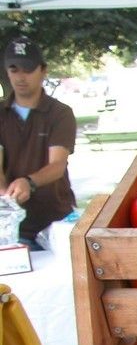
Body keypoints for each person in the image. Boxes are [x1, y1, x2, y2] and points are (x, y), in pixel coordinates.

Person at [0, 36, 76, 249]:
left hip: (57, 222)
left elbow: (57, 165)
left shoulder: (59, 113)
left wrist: (28, 182)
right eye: (14, 69)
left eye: (27, 69)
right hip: (13, 230)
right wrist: (5, 195)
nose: (20, 77)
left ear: (43, 70)